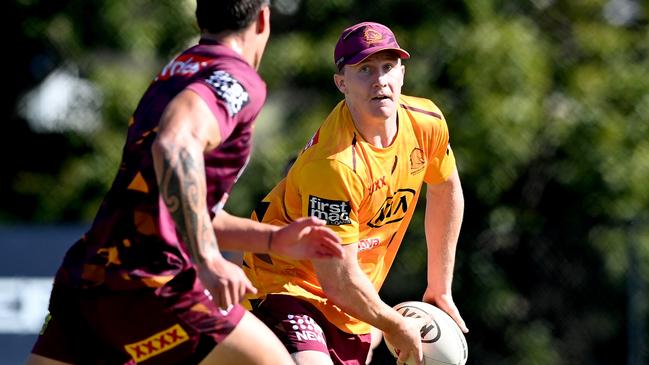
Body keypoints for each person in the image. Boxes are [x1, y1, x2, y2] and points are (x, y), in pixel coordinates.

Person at [26, 1, 345, 364]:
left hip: (90, 277)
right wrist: (208, 258)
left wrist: (271, 239)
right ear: (263, 19)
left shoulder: (177, 72)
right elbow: (175, 145)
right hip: (149, 280)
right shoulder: (235, 77)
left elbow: (177, 205)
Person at [243, 21, 468, 365]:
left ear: (403, 74)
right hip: (286, 282)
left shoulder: (427, 122)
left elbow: (445, 189)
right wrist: (391, 323)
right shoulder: (334, 164)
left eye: (388, 67)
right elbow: (338, 279)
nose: (380, 80)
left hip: (353, 296)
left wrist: (439, 287)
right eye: (364, 69)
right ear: (341, 83)